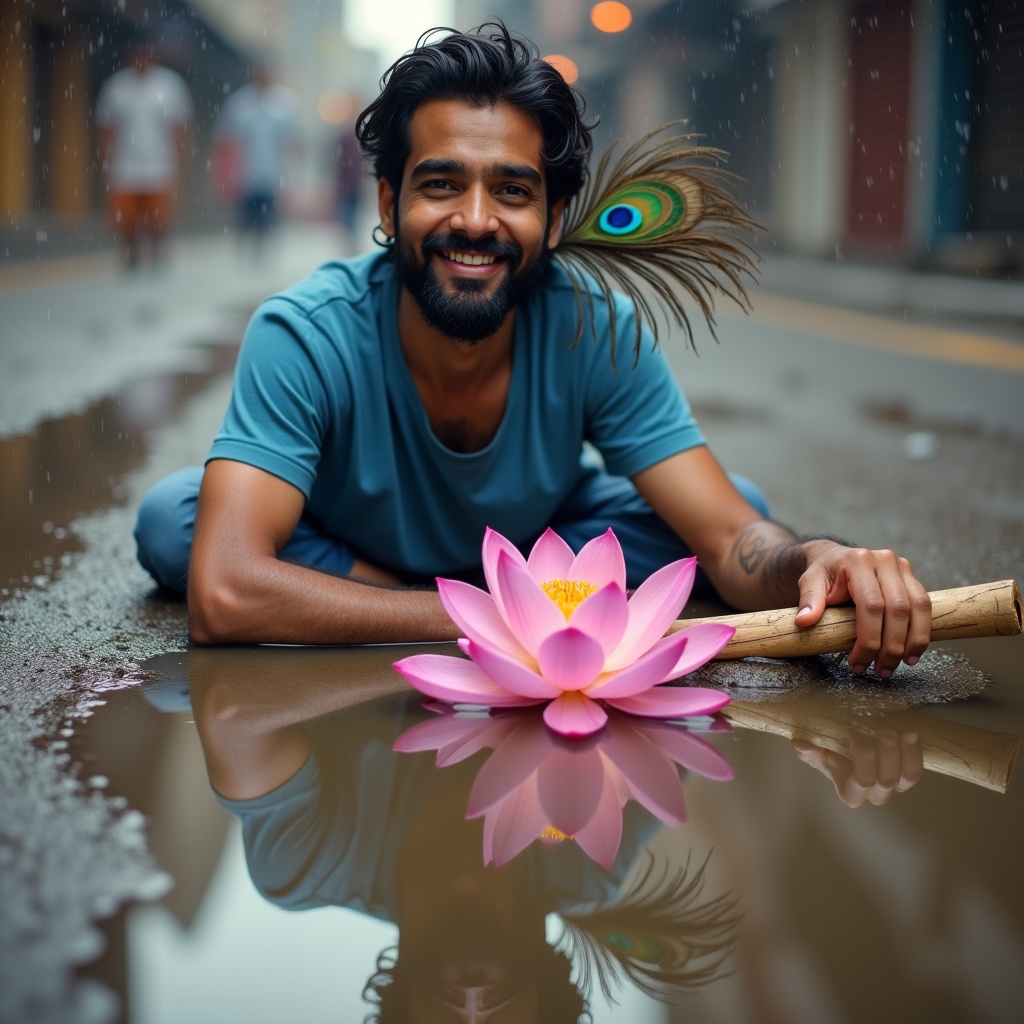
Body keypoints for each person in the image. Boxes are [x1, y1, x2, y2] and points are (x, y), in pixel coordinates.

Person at [133, 22, 932, 679]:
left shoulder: (597, 327)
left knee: (739, 510)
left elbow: (730, 539)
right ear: (389, 201)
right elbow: (227, 594)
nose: (475, 220)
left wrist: (821, 559)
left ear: (552, 222)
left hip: (530, 545)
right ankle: (494, 597)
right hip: (353, 546)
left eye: (511, 191)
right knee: (179, 522)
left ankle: (435, 593)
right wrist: (492, 618)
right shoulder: (305, 332)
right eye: (441, 183)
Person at [95, 42, 193, 268]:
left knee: (158, 218)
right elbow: (106, 128)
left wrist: (180, 162)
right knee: (125, 218)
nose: (141, 61)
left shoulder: (169, 86)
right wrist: (105, 160)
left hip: (160, 164)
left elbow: (180, 129)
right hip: (124, 164)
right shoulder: (117, 87)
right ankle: (131, 251)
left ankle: (157, 248)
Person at [212, 65, 301, 257]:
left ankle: (265, 248)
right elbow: (226, 138)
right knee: (246, 213)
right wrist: (224, 172)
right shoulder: (239, 102)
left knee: (268, 213)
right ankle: (246, 245)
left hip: (273, 171)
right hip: (245, 172)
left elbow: (294, 139)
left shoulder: (285, 103)